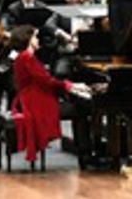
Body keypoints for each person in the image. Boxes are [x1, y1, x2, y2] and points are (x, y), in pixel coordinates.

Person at [8, 24, 94, 163]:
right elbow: (46, 81)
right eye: (35, 37)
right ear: (28, 39)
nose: (38, 40)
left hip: (32, 99)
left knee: (79, 107)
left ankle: (85, 153)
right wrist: (71, 85)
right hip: (36, 104)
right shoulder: (27, 58)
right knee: (81, 110)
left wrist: (70, 87)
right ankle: (85, 154)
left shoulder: (24, 57)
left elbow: (44, 81)